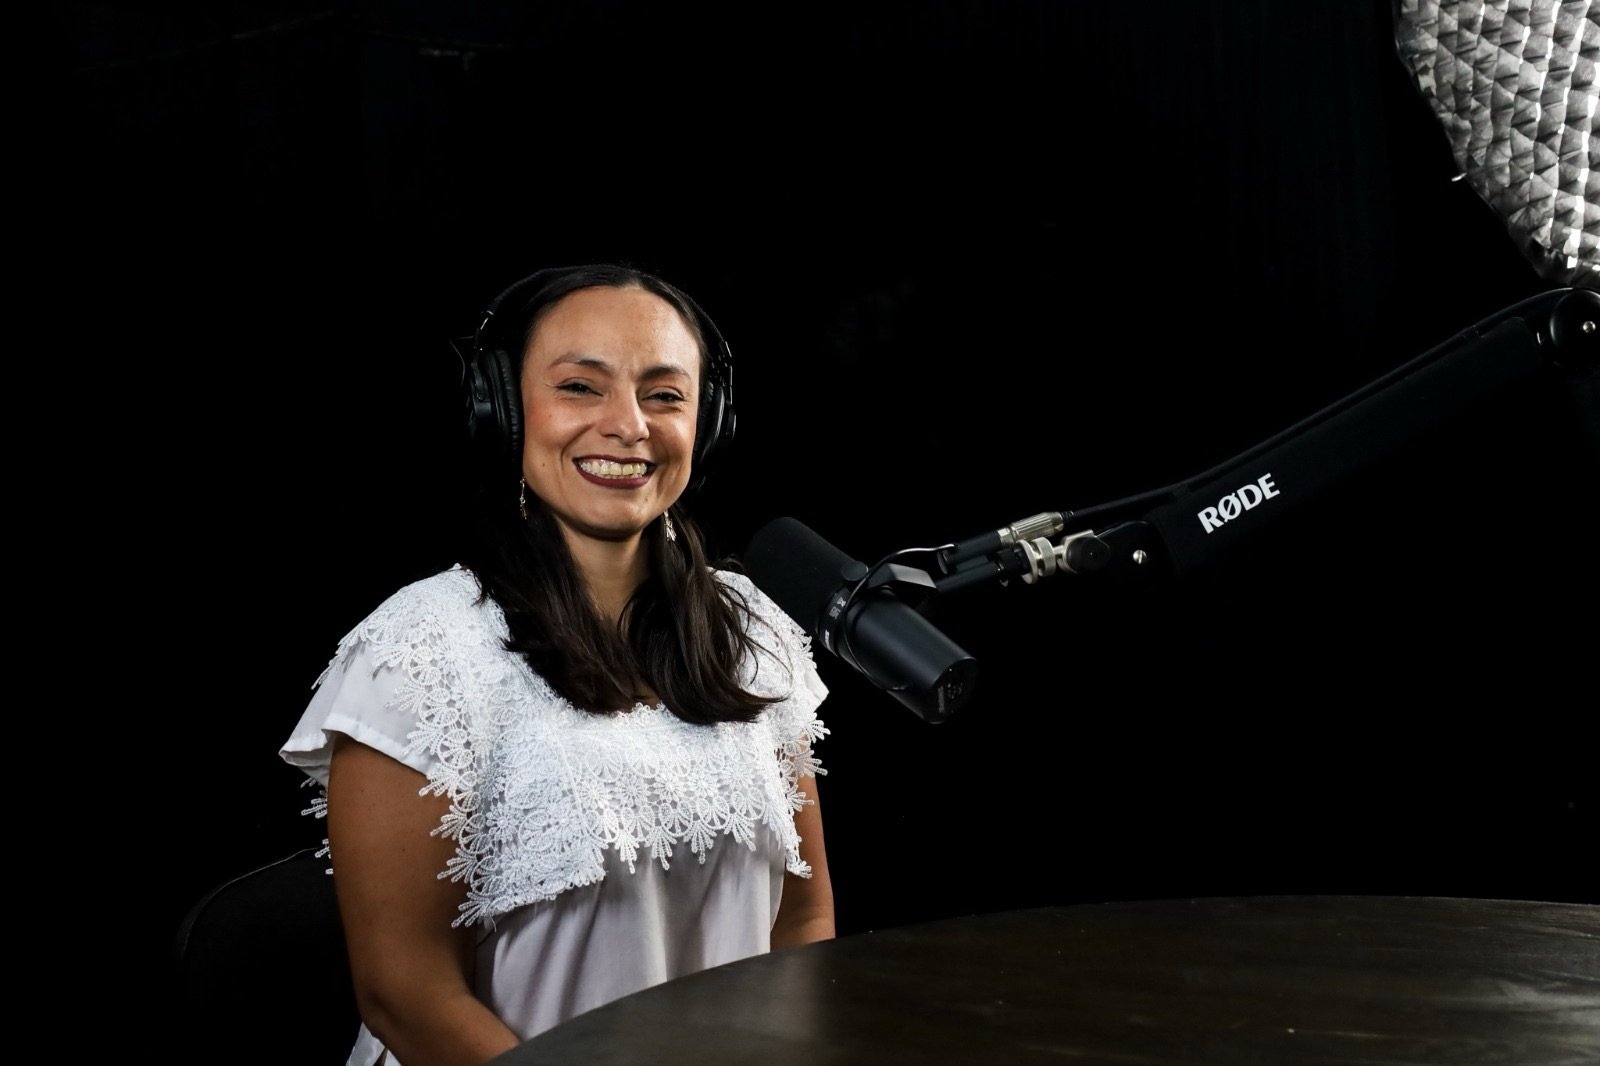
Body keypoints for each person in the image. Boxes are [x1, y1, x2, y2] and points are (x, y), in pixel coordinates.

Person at [279, 263, 834, 1066]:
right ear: (504, 412)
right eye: (580, 387)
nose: (629, 426)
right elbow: (406, 991)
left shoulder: (751, 631)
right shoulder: (420, 652)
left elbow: (803, 919)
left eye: (664, 395)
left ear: (707, 423)